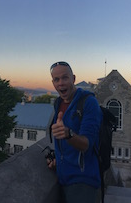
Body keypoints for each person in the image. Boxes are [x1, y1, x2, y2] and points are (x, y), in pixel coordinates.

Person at [47, 61, 102, 203]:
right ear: (52, 82)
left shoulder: (89, 103)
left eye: (65, 77)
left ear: (73, 78)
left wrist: (68, 133)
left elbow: (86, 144)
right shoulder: (58, 103)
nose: (61, 83)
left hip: (82, 182)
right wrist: (58, 161)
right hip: (63, 178)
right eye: (56, 79)